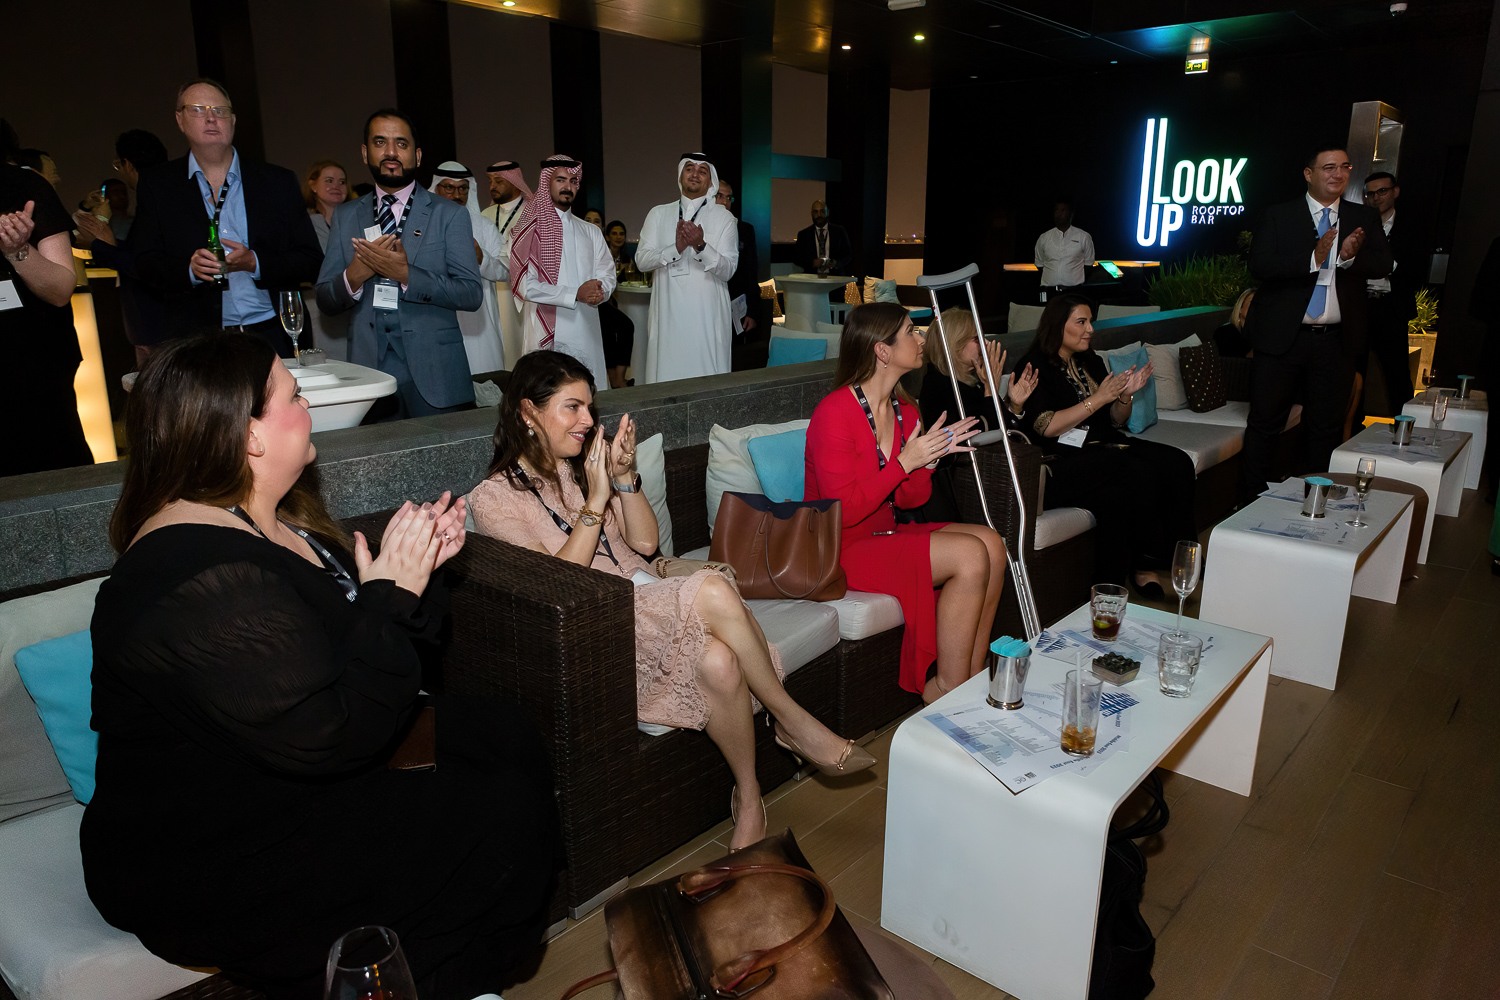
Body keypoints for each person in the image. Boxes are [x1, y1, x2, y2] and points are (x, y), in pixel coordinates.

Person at [81, 333, 559, 1000]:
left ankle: (463, 968)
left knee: (503, 733)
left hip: (284, 769)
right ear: (249, 434)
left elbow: (372, 663)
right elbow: (331, 731)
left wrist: (412, 581)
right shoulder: (191, 573)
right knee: (485, 809)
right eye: (294, 395)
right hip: (212, 850)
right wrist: (389, 596)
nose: (307, 406)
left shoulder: (273, 519)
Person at [469, 350, 874, 850]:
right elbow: (557, 581)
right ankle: (792, 721)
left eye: (590, 408)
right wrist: (595, 500)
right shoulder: (493, 498)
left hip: (652, 595)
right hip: (605, 620)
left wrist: (623, 478)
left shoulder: (583, 468)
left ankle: (749, 797)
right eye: (572, 407)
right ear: (529, 412)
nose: (587, 421)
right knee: (713, 586)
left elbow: (644, 542)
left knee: (721, 663)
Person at [804, 303, 1007, 703]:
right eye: (911, 332)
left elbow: (911, 498)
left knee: (992, 544)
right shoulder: (835, 412)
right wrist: (904, 462)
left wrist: (926, 463)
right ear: (882, 351)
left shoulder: (905, 410)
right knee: (969, 554)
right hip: (837, 547)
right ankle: (947, 689)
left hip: (883, 532)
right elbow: (844, 510)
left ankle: (971, 675)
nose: (921, 339)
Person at [1239, 145, 1392, 501]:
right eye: (1329, 167)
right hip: (1282, 339)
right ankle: (1246, 502)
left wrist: (1349, 259)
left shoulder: (1362, 217)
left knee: (1325, 427)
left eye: (1345, 167)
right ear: (1309, 174)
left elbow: (1384, 264)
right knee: (1264, 423)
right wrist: (1313, 257)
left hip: (1336, 341)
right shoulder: (1279, 215)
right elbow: (1260, 265)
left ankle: (1315, 502)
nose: (1338, 174)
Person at [1015, 294, 1197, 593]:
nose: (1090, 329)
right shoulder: (1034, 366)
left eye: (1090, 322)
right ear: (1058, 325)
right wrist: (1099, 398)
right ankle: (1144, 564)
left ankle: (1178, 559)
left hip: (1105, 444)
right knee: (1136, 474)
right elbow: (1046, 427)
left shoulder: (1090, 360)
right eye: (1081, 322)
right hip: (1064, 457)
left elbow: (1115, 420)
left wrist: (1126, 395)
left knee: (1178, 462)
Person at [130, 79, 323, 355]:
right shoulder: (159, 186)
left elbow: (311, 260)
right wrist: (190, 270)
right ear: (180, 120)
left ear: (232, 121)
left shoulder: (277, 182)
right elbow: (144, 262)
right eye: (198, 109)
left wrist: (255, 262)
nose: (211, 118)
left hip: (272, 333)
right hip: (198, 340)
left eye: (220, 111)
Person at [316, 109, 482, 419]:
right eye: (380, 142)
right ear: (365, 153)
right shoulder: (346, 216)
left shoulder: (449, 214)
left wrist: (407, 275)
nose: (391, 152)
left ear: (417, 156)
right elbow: (325, 298)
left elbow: (471, 293)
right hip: (369, 375)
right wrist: (353, 277)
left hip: (436, 373)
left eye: (401, 144)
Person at [1, 163, 94, 476]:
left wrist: (17, 250)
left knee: (53, 469)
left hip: (34, 363)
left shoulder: (23, 186)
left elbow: (60, 289)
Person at [916, 307, 1038, 522]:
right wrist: (991, 389)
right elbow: (980, 434)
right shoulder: (939, 385)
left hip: (993, 479)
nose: (985, 343)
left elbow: (1010, 432)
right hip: (967, 488)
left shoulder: (972, 382)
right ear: (955, 344)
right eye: (976, 338)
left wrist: (1015, 406)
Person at [508, 155, 614, 387]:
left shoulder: (590, 231)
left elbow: (607, 273)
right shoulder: (528, 231)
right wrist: (575, 293)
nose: (568, 186)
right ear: (546, 182)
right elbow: (525, 285)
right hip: (545, 332)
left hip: (586, 326)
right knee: (548, 393)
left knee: (589, 389)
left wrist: (601, 291)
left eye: (573, 181)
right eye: (560, 180)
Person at [71, 128, 170, 369]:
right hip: (154, 324)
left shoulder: (153, 201)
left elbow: (144, 263)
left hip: (156, 325)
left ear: (128, 164)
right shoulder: (166, 196)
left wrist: (100, 244)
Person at [636, 154, 738, 383]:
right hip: (667, 313)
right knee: (666, 374)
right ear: (680, 175)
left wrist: (701, 246)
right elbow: (642, 260)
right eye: (689, 168)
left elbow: (729, 269)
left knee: (706, 379)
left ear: (710, 180)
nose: (695, 174)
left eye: (702, 171)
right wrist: (676, 248)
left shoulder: (724, 218)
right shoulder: (658, 213)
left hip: (707, 316)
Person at [429, 160, 508, 375]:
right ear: (436, 188)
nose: (457, 194)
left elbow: (507, 270)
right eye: (449, 187)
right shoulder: (423, 226)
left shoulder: (484, 226)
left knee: (486, 383)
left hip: (480, 326)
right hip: (437, 321)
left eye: (463, 188)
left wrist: (482, 258)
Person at [1361, 171, 1417, 417]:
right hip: (1361, 307)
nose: (1376, 197)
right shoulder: (1359, 226)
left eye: (1382, 191)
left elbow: (1414, 268)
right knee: (1354, 373)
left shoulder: (1411, 228)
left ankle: (1403, 428)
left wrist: (1384, 266)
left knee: (1397, 375)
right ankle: (1352, 428)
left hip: (1392, 309)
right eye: (1371, 194)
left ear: (1395, 191)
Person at [480, 160, 531, 368]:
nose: (492, 186)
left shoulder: (531, 213)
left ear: (515, 182)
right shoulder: (485, 215)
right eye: (490, 181)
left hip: (521, 296)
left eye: (499, 181)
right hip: (490, 293)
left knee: (519, 349)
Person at [717, 180, 770, 370]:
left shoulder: (744, 230)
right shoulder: (700, 228)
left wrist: (752, 312)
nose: (724, 202)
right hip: (709, 305)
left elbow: (751, 272)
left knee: (735, 359)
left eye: (728, 197)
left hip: (736, 306)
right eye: (719, 196)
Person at [1033, 200, 1094, 300]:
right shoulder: (1044, 238)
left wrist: (1071, 279)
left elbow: (1088, 264)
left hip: (1074, 292)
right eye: (1056, 210)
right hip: (1049, 292)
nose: (1059, 214)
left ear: (1071, 214)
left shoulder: (1083, 237)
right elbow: (1039, 264)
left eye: (1063, 210)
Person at [793, 199, 851, 275]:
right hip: (811, 278)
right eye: (816, 212)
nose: (819, 215)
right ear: (811, 214)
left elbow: (848, 254)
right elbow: (797, 258)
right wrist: (812, 263)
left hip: (835, 278)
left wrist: (836, 263)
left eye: (822, 211)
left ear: (828, 212)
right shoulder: (803, 234)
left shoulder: (839, 231)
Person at [302, 159, 348, 251]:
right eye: (329, 181)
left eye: (342, 182)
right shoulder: (304, 223)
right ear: (313, 186)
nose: (336, 186)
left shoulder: (359, 219)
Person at [1213, 287, 1256, 358]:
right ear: (1240, 308)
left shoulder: (1261, 333)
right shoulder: (1225, 332)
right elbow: (1230, 361)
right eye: (1253, 303)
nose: (1257, 308)